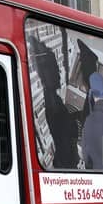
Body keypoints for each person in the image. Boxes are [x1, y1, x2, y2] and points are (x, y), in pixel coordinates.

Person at [31, 38, 79, 168]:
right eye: (54, 69)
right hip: (67, 162)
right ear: (44, 74)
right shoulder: (50, 100)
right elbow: (62, 129)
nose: (58, 74)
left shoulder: (53, 98)